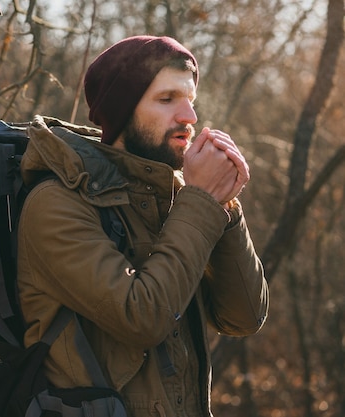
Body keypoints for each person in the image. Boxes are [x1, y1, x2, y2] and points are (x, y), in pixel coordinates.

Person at [16, 35, 269, 417]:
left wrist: (224, 206)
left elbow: (244, 317)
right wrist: (201, 201)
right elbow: (143, 318)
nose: (190, 117)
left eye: (191, 101)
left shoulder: (175, 198)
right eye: (167, 100)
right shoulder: (56, 203)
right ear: (122, 112)